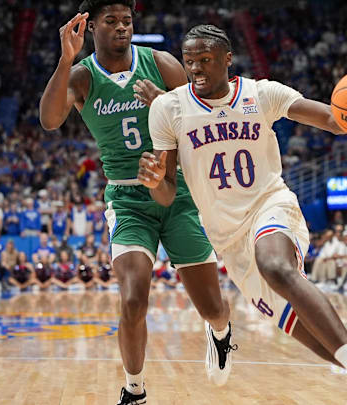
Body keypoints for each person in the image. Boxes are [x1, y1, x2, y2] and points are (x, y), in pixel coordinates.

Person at [137, 24, 347, 405]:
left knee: (275, 264)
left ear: (227, 59)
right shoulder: (167, 108)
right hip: (228, 242)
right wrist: (154, 182)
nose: (197, 69)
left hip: (271, 207)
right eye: (190, 62)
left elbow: (335, 120)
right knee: (320, 341)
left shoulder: (262, 93)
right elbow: (166, 194)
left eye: (205, 60)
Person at [39, 3, 233, 402]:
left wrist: (163, 103)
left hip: (177, 193)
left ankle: (220, 333)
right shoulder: (82, 77)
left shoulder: (161, 63)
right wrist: (65, 59)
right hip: (128, 199)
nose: (122, 28)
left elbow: (200, 123)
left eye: (127, 21)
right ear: (92, 26)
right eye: (111, 21)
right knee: (132, 298)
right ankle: (135, 390)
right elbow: (49, 119)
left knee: (214, 308)